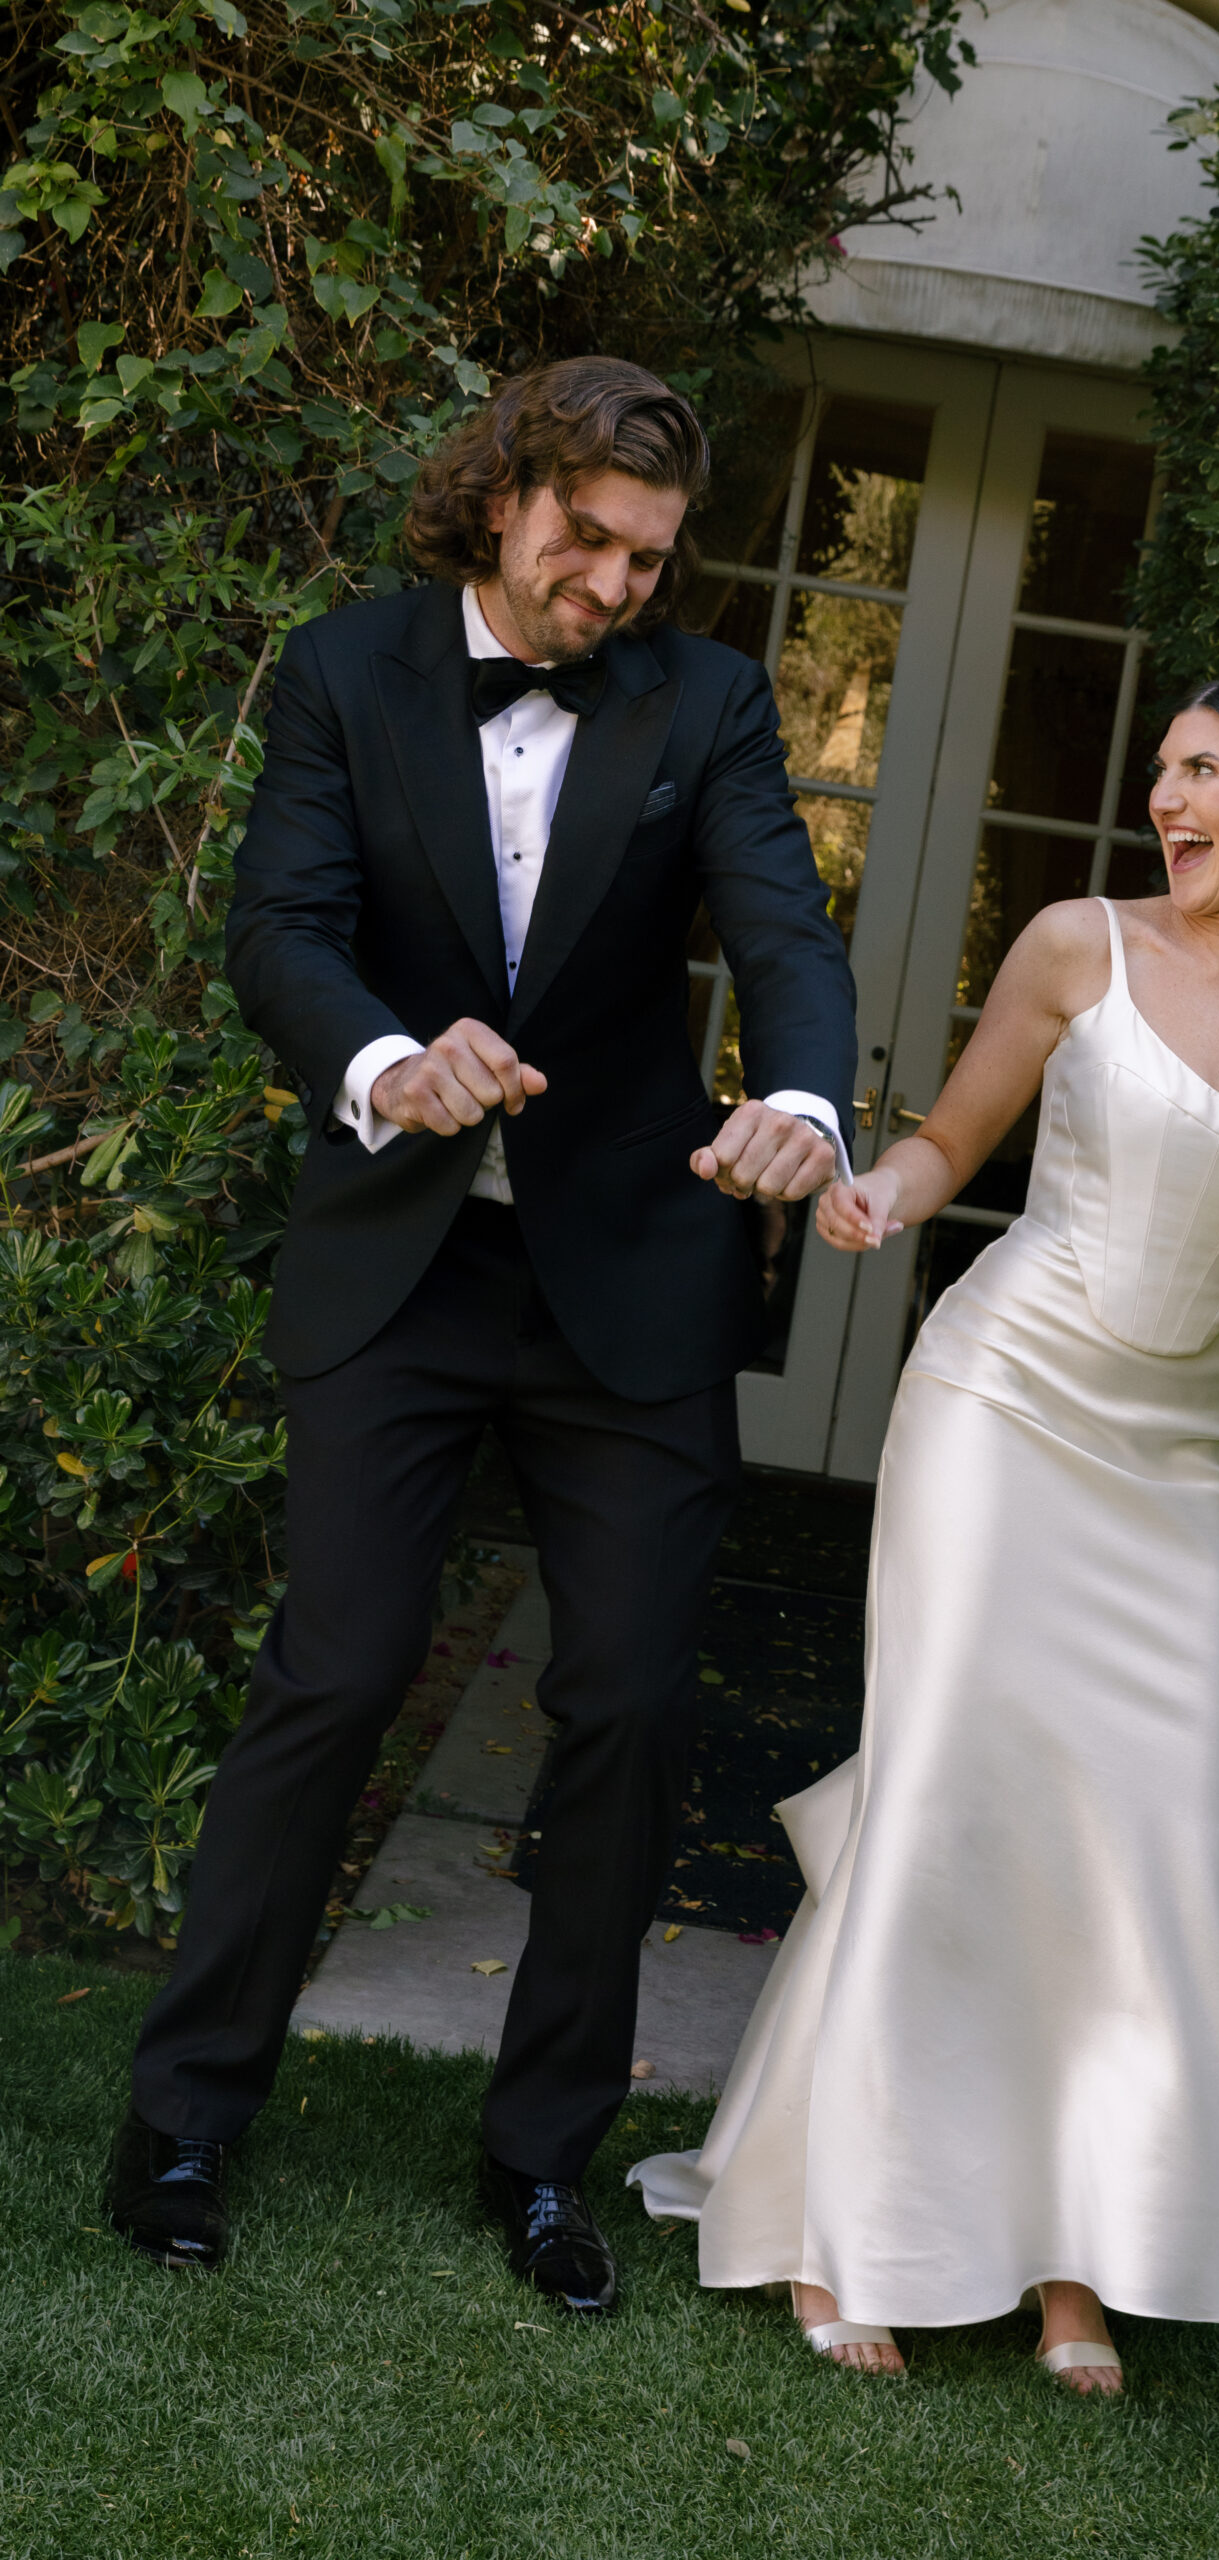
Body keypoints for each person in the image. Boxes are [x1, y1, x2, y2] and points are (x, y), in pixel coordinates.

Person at [106, 357, 859, 2312]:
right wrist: (382, 1055)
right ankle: (185, 2112)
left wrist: (806, 1100)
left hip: (629, 1269)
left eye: (648, 556)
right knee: (338, 1672)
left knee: (622, 1708)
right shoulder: (345, 670)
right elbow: (283, 920)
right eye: (585, 539)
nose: (615, 583)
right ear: (503, 490)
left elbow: (781, 918)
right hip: (401, 1265)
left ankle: (542, 2161)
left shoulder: (700, 702)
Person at [631, 672, 1219, 2390]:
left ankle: (1074, 2266)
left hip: (1172, 1470)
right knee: (951, 1796)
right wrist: (883, 1191)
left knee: (1148, 1842)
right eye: (1163, 775)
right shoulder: (1073, 946)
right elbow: (956, 1141)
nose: (1167, 802)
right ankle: (837, 2231)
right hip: (1001, 1409)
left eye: (1204, 773)